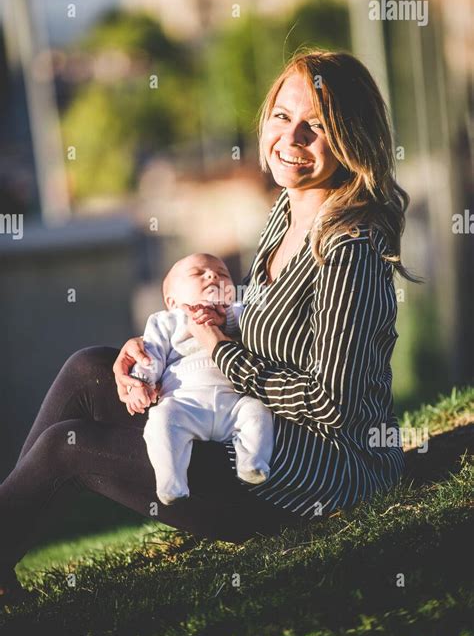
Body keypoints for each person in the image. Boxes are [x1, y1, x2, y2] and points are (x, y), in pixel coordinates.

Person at [0, 47, 416, 603]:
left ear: (352, 139)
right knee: (88, 369)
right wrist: (154, 349)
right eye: (282, 117)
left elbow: (330, 404)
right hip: (250, 421)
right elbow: (258, 323)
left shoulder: (351, 250)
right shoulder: (287, 213)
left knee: (64, 448)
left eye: (316, 126)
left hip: (313, 476)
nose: (291, 140)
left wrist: (220, 350)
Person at [126, 252, 273, 505]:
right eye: (198, 273)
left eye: (223, 274)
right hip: (185, 402)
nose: (213, 275)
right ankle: (171, 482)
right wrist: (141, 382)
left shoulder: (238, 314)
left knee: (258, 411)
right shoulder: (166, 321)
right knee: (161, 420)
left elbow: (254, 324)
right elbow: (150, 354)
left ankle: (252, 462)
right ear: (171, 301)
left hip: (234, 401)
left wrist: (225, 318)